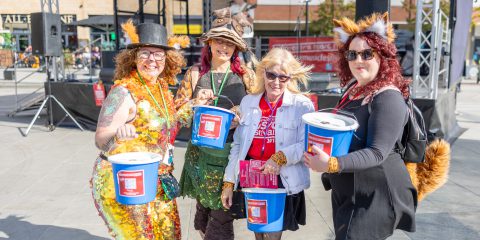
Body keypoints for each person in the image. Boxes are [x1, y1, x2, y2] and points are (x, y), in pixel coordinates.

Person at [304, 13, 450, 240]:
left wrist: (331, 163)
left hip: (376, 196)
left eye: (367, 53)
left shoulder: (387, 97)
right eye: (352, 54)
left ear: (383, 56)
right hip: (350, 190)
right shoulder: (354, 90)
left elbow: (377, 152)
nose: (358, 60)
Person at [92, 20, 206, 240]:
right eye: (145, 53)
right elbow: (100, 139)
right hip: (124, 180)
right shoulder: (123, 92)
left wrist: (195, 105)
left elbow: (169, 122)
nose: (152, 60)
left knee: (170, 235)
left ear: (167, 59)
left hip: (157, 177)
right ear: (133, 57)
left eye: (158, 54)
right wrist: (117, 134)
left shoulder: (161, 88)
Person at [175, 7, 255, 240]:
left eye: (230, 42)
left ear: (236, 48)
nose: (224, 46)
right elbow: (176, 113)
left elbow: (260, 111)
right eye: (219, 40)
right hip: (200, 157)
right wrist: (194, 103)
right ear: (209, 43)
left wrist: (241, 115)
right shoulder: (194, 74)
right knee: (203, 215)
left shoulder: (246, 75)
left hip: (230, 156)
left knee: (221, 218)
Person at [221, 48, 315, 240]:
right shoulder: (248, 102)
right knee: (258, 231)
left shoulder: (302, 105)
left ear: (290, 78)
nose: (276, 82)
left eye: (283, 77)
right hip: (252, 175)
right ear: (263, 72)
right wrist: (229, 182)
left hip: (281, 176)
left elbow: (307, 144)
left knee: (272, 234)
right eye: (271, 75)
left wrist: (279, 158)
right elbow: (238, 146)